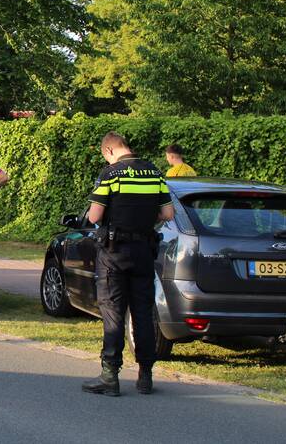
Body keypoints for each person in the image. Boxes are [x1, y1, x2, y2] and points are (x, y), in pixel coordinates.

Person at [82, 132, 174, 397]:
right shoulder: (154, 173)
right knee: (142, 313)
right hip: (144, 251)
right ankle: (145, 376)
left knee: (113, 313)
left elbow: (95, 216)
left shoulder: (110, 174)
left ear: (109, 151)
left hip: (114, 253)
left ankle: (110, 376)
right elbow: (167, 213)